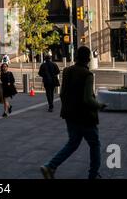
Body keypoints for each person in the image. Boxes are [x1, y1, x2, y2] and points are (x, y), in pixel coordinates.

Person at [40, 46, 107, 179]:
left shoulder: (67, 71)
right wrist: (100, 105)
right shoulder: (87, 74)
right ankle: (93, 174)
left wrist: (67, 108)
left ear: (76, 57)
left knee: (73, 143)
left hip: (70, 114)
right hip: (85, 117)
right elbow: (88, 99)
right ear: (88, 58)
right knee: (94, 144)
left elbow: (63, 94)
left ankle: (50, 166)